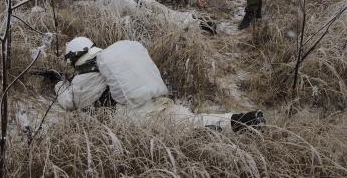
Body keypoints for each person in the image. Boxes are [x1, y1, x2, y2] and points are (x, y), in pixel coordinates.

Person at [54, 37, 266, 133]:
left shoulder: (83, 80)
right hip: (155, 98)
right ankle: (242, 121)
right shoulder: (110, 61)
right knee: (192, 122)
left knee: (191, 129)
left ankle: (241, 124)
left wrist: (58, 84)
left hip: (137, 116)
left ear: (74, 60)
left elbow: (69, 102)